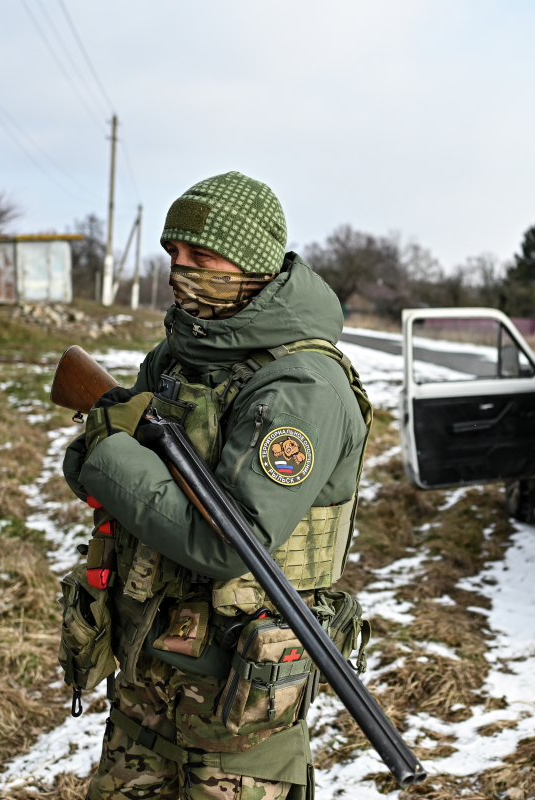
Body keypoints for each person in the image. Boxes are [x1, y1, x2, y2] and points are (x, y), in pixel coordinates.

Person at [62, 171, 372, 800]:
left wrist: (110, 450)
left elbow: (230, 543)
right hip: (145, 680)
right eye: (173, 253)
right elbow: (89, 468)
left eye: (201, 257)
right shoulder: (178, 355)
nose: (181, 270)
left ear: (253, 265)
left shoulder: (302, 386)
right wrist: (103, 442)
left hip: (236, 711)